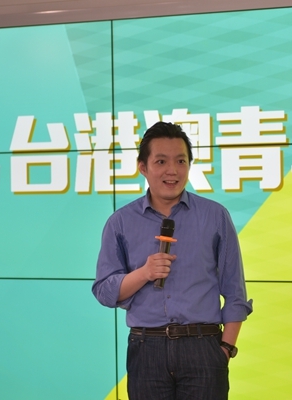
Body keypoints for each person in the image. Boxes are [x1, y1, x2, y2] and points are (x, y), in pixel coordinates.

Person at [92, 121, 253, 400]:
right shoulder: (120, 222)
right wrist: (144, 273)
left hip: (203, 346)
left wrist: (225, 349)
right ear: (143, 167)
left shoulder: (215, 216)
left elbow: (235, 292)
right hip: (146, 348)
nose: (172, 170)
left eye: (181, 161)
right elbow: (104, 291)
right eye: (161, 161)